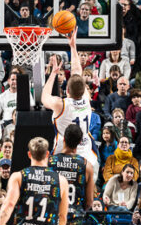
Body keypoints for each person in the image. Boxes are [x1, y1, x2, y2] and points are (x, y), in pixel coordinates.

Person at [42, 30, 99, 181]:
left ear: (66, 90)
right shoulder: (86, 99)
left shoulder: (61, 104)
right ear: (84, 90)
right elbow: (76, 73)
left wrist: (53, 73)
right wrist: (73, 46)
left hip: (63, 157)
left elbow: (44, 98)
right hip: (87, 157)